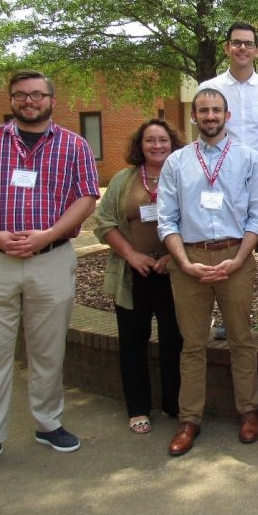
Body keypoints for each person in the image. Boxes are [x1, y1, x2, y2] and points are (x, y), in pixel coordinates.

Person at [0, 70, 99, 480]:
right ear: (11, 100)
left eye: (37, 95)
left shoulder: (74, 145)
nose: (29, 101)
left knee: (48, 351)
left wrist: (49, 234)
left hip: (50, 258)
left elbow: (86, 196)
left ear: (52, 98)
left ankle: (49, 423)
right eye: (20, 95)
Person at [157, 88, 258, 457]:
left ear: (227, 115)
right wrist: (184, 262)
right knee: (192, 344)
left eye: (216, 110)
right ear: (194, 116)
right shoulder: (176, 162)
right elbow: (166, 220)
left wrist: (240, 259)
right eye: (203, 110)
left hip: (235, 255)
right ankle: (189, 419)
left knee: (241, 339)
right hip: (189, 258)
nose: (209, 116)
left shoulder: (248, 158)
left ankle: (249, 412)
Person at [94, 119, 186, 435]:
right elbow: (104, 222)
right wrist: (132, 255)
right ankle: (137, 408)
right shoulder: (123, 179)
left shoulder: (185, 175)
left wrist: (174, 256)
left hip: (175, 273)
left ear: (173, 144)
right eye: (150, 140)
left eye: (163, 140)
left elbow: (201, 219)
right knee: (133, 341)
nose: (157, 146)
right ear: (140, 145)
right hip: (132, 271)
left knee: (175, 339)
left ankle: (173, 404)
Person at [200, 21, 258, 341]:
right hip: (224, 184)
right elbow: (205, 135)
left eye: (248, 44)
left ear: (257, 50)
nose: (242, 49)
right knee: (230, 247)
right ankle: (231, 313)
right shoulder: (210, 89)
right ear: (227, 48)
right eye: (236, 43)